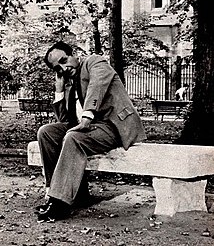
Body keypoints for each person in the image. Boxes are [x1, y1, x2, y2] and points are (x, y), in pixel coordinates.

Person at [36, 41, 146, 222]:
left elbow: (97, 86)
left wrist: (87, 116)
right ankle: (55, 193)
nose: (64, 67)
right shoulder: (69, 83)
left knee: (73, 137)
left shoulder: (95, 62)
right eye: (58, 67)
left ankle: (60, 203)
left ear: (73, 54)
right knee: (46, 132)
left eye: (65, 60)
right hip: (88, 130)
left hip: (113, 127)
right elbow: (64, 121)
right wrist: (59, 91)